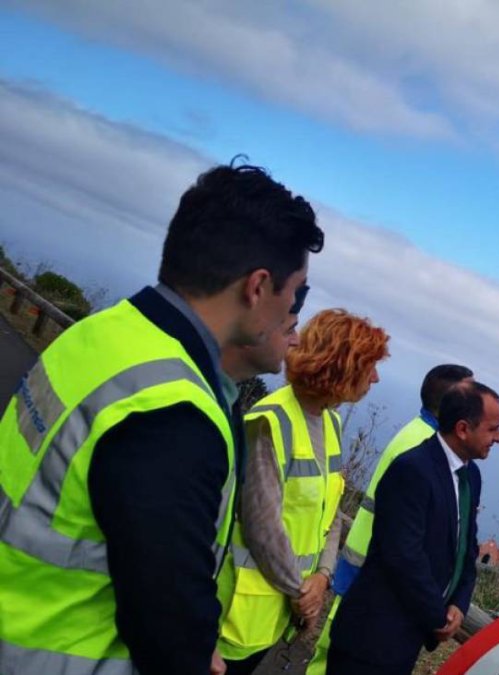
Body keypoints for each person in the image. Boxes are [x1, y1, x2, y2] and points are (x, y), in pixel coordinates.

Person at [0, 161, 323, 675]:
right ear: (258, 288)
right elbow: (167, 622)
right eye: (297, 296)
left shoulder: (103, 335)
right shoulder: (172, 413)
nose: (296, 322)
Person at [217, 309, 389, 674]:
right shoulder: (270, 421)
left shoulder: (331, 423)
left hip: (276, 613)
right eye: (369, 365)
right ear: (343, 365)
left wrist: (322, 577)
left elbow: (330, 513)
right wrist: (302, 594)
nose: (375, 377)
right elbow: (261, 527)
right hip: (235, 618)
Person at [308, 364, 474, 675]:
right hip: (371, 583)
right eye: (471, 393)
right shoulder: (424, 447)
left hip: (364, 572)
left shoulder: (418, 433)